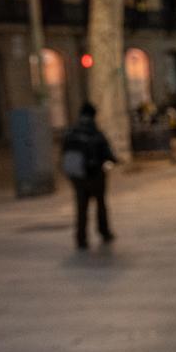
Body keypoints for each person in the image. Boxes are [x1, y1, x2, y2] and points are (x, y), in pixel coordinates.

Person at [60, 103, 118, 249]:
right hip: (95, 174)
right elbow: (107, 152)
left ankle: (81, 238)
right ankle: (104, 232)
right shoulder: (95, 132)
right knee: (100, 204)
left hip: (77, 176)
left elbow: (64, 153)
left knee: (81, 207)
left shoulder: (71, 132)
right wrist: (113, 160)